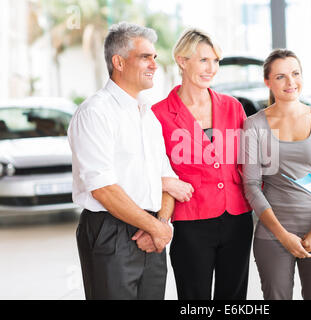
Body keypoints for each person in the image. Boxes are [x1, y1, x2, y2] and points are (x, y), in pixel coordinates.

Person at [68, 22, 177, 300]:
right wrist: (156, 229)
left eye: (154, 56)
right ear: (118, 62)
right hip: (110, 230)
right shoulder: (95, 113)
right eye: (145, 57)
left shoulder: (147, 117)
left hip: (151, 231)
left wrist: (161, 223)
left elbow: (167, 181)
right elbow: (102, 188)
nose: (154, 63)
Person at [152, 28, 253, 300]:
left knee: (234, 299)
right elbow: (150, 168)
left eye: (216, 61)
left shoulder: (233, 107)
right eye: (204, 60)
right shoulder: (158, 115)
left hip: (237, 217)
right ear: (182, 61)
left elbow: (248, 162)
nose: (212, 69)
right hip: (191, 222)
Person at [241, 49, 311, 300]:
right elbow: (252, 185)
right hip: (273, 234)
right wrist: (282, 234)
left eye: (295, 74)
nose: (291, 82)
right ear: (268, 81)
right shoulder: (254, 124)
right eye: (281, 77)